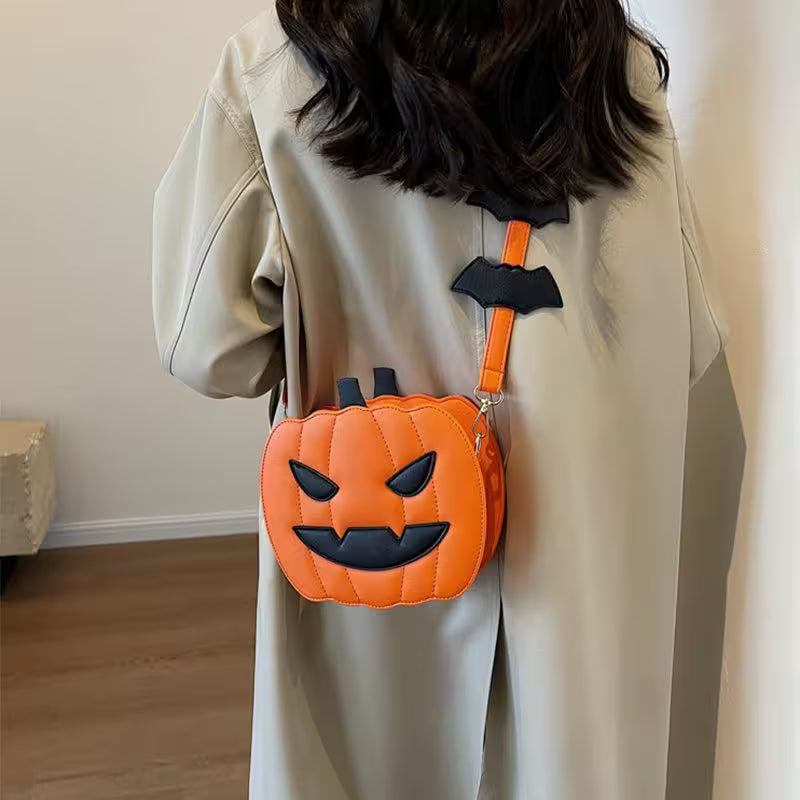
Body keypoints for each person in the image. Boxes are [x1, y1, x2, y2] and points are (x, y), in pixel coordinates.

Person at [152, 2, 727, 798]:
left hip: (366, 534)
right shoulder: (611, 64)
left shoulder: (275, 69)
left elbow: (207, 348)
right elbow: (688, 332)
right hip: (579, 548)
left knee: (366, 758)